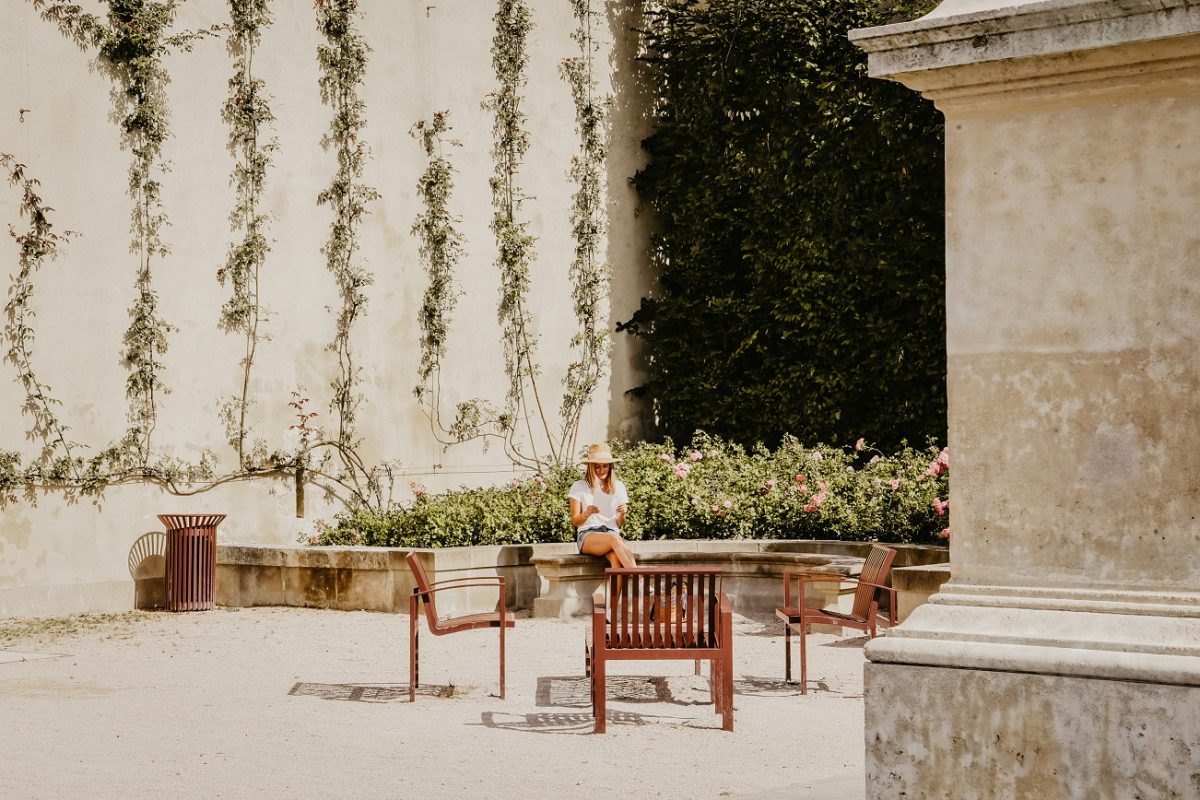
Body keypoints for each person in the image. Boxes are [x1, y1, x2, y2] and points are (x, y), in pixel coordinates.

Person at [568, 443, 637, 568]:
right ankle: (641, 581)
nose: (601, 471)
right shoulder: (579, 486)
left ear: (611, 467)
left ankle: (619, 587)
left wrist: (623, 513)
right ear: (590, 468)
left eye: (605, 466)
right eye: (597, 467)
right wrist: (587, 513)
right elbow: (575, 521)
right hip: (588, 534)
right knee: (615, 539)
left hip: (611, 531)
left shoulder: (619, 486)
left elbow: (619, 523)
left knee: (616, 560)